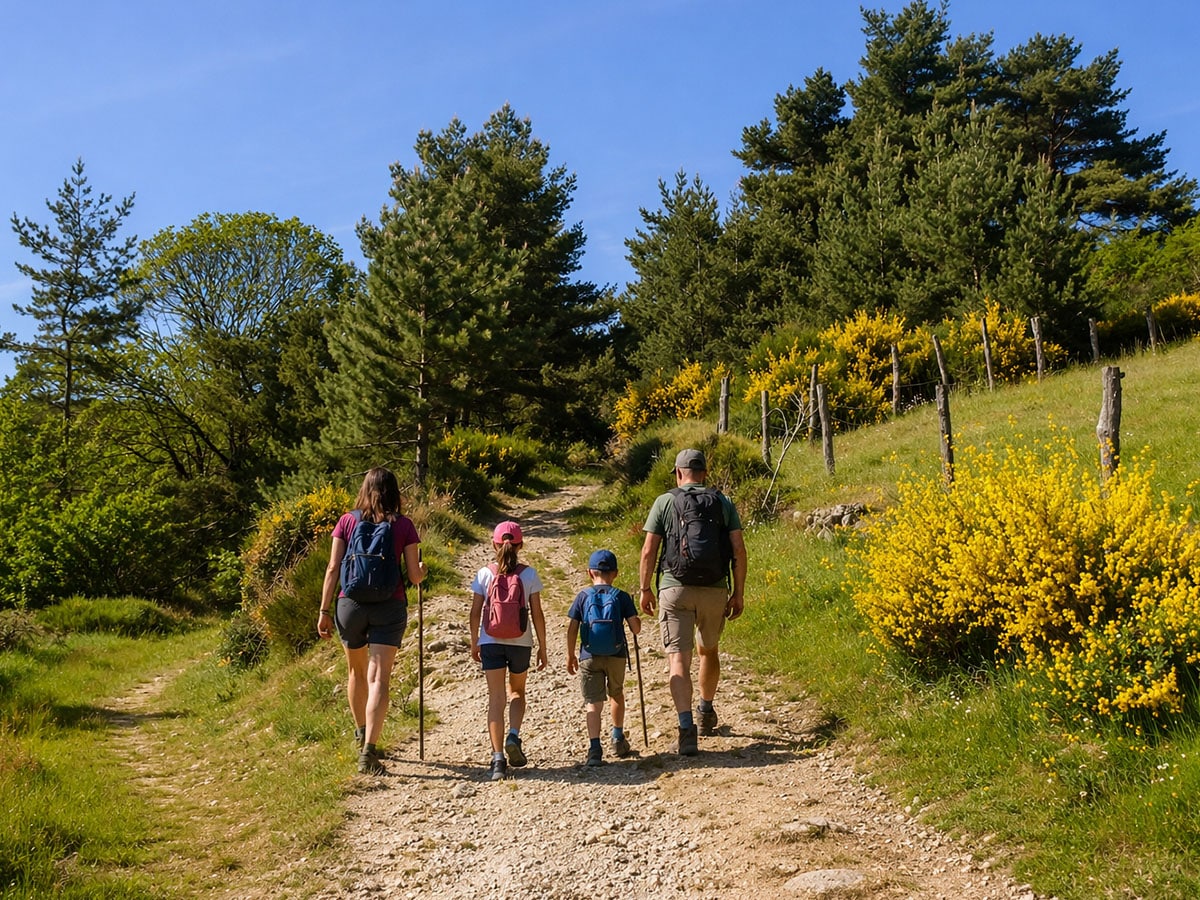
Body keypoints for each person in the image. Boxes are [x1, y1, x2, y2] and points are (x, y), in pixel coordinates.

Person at [638, 448, 747, 757]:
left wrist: (645, 588)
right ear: (704, 473)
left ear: (678, 472)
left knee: (678, 660)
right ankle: (706, 709)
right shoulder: (723, 502)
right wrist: (738, 592)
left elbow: (648, 551)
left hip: (675, 588)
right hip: (714, 589)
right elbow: (738, 550)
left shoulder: (665, 501)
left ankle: (687, 729)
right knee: (709, 650)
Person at [319, 466, 427, 775]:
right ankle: (369, 751)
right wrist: (423, 568)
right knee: (379, 677)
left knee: (356, 671)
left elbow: (332, 567)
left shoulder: (347, 521)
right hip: (389, 605)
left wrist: (324, 611)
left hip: (349, 604)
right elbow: (414, 576)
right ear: (394, 491)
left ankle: (361, 730)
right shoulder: (403, 525)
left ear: (365, 490)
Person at [470, 520, 549, 781]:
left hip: (490, 641)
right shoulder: (529, 575)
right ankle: (513, 735)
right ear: (521, 545)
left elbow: (474, 612)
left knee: (495, 698)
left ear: (494, 544)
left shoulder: (484, 574)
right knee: (517, 691)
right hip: (521, 643)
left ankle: (497, 761)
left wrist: (474, 641)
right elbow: (537, 614)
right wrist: (543, 647)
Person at [566, 549, 642, 767]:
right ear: (615, 574)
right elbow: (635, 628)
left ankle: (594, 749)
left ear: (590, 573)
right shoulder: (621, 596)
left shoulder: (583, 597)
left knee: (593, 703)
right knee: (616, 694)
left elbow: (572, 628)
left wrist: (571, 654)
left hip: (589, 655)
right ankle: (617, 738)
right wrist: (637, 620)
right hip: (616, 654)